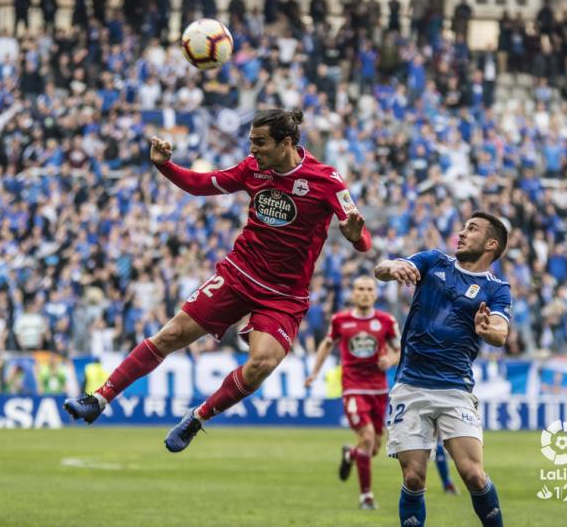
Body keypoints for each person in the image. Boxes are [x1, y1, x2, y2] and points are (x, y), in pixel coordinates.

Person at [64, 108, 372, 453]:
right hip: (238, 273)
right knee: (173, 333)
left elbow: (363, 240)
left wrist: (354, 236)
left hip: (284, 295)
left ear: (286, 142)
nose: (253, 150)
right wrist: (165, 166)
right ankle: (100, 399)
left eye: (260, 143)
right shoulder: (252, 169)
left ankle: (198, 417)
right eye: (251, 142)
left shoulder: (326, 179)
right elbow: (201, 185)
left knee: (262, 364)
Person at [375, 211, 511, 527]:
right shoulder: (435, 261)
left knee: (474, 476)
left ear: (491, 244)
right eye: (463, 228)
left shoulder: (497, 289)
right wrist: (394, 265)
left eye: (472, 229)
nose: (461, 233)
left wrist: (486, 328)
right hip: (411, 386)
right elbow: (382, 269)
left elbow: (501, 334)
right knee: (413, 477)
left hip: (455, 390)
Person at [304, 275, 401, 510]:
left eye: (370, 289)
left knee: (374, 447)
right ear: (353, 294)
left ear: (376, 294)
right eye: (361, 289)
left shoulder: (386, 321)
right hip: (353, 388)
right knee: (367, 438)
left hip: (379, 390)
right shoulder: (341, 320)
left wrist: (390, 359)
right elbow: (327, 345)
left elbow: (398, 350)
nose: (366, 293)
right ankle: (366, 497)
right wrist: (315, 372)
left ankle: (351, 454)